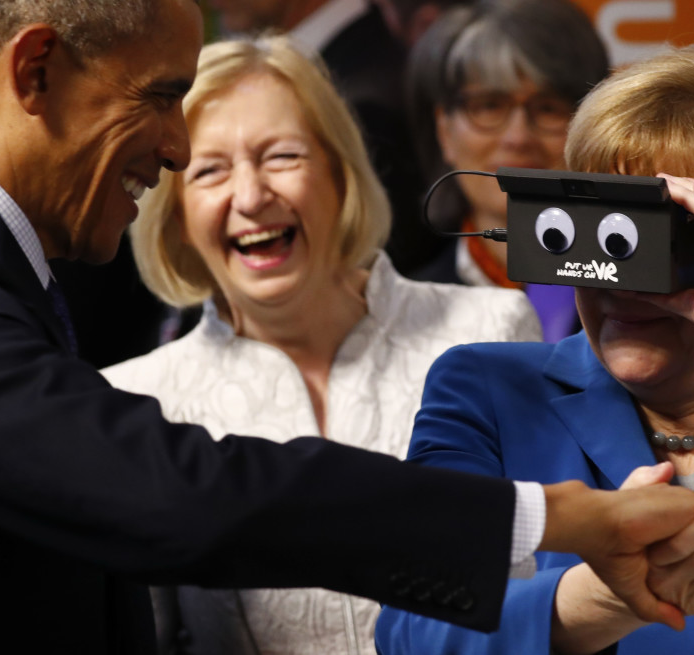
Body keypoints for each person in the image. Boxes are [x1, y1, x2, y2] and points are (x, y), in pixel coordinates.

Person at [0, 1, 694, 652]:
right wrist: (556, 516)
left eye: (282, 155)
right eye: (160, 97)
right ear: (35, 71)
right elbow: (175, 494)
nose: (181, 150)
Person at [376, 40, 694, 655]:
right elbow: (412, 631)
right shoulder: (487, 392)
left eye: (664, 232)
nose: (622, 279)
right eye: (596, 227)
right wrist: (601, 598)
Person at [101, 34, 541, 654]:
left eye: (281, 156)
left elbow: (552, 586)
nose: (251, 197)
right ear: (174, 215)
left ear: (340, 174)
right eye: (210, 170)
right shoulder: (131, 400)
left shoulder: (490, 330)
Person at [406, 0, 608, 343]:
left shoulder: (634, 301)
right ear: (444, 131)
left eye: (548, 108)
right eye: (488, 106)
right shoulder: (405, 310)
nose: (518, 137)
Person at [206, 0, 442, 277]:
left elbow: (376, 277)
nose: (248, 199)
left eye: (282, 157)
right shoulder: (356, 64)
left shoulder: (365, 101)